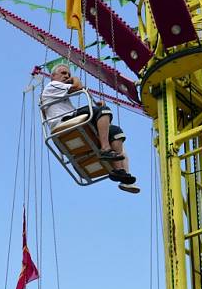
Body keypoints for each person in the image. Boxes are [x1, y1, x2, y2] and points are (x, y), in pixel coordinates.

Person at [40, 63, 139, 193]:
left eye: (68, 74)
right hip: (63, 122)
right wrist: (74, 78)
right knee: (103, 111)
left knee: (115, 132)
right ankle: (105, 148)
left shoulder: (59, 91)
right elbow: (78, 87)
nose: (67, 76)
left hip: (71, 120)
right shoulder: (52, 85)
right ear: (53, 76)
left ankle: (119, 171)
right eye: (63, 73)